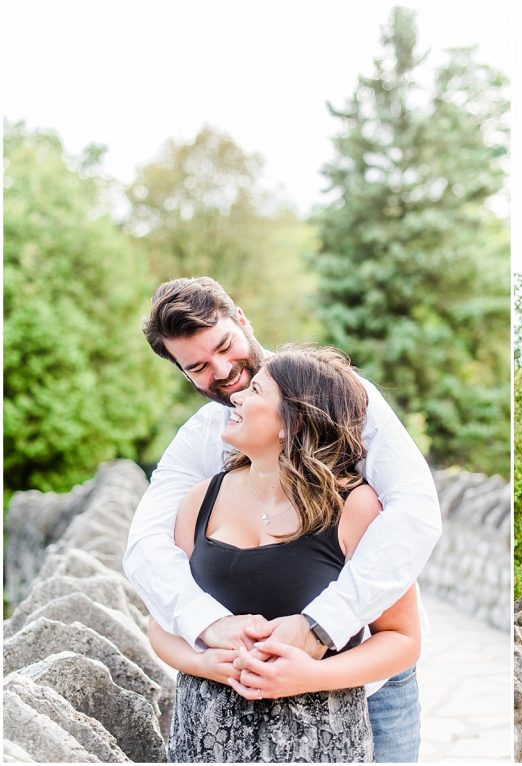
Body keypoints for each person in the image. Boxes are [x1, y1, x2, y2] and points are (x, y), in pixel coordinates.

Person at [124, 277, 440, 762]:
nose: (225, 373)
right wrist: (210, 631)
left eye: (225, 346)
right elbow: (146, 546)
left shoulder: (340, 398)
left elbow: (415, 510)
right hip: (226, 718)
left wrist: (319, 628)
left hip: (366, 687)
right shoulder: (201, 443)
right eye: (199, 367)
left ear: (243, 321)